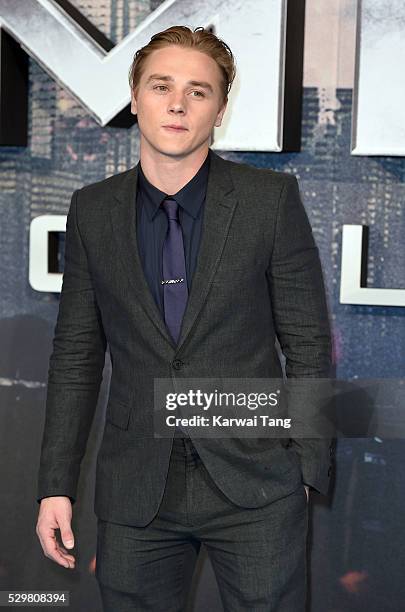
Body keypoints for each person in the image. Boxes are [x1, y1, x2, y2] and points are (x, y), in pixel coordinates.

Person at [36, 25, 333, 611]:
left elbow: (307, 343)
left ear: (220, 109)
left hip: (257, 485)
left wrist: (306, 466)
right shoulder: (91, 210)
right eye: (161, 85)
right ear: (135, 94)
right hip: (135, 491)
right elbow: (75, 356)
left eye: (198, 91)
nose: (177, 103)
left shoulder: (268, 200)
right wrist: (55, 485)